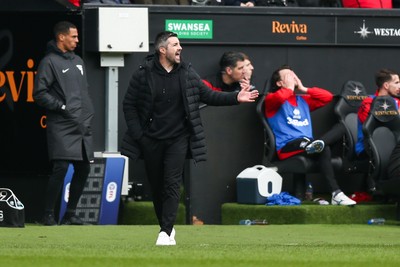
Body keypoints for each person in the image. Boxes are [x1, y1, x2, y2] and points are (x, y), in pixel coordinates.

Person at [121, 31, 258, 246]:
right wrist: (139, 135)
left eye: (180, 44)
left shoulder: (187, 72)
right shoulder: (143, 73)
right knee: (157, 187)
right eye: (175, 44)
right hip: (151, 140)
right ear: (162, 50)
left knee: (172, 183)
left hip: (178, 138)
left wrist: (235, 98)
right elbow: (128, 105)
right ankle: (166, 227)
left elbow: (208, 95)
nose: (180, 48)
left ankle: (165, 232)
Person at [264, 64, 356, 206]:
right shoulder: (272, 100)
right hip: (288, 146)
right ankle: (336, 193)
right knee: (321, 147)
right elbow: (280, 97)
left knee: (341, 129)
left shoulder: (303, 100)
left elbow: (326, 97)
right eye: (288, 76)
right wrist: (288, 88)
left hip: (307, 144)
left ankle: (335, 192)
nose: (293, 77)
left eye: (293, 74)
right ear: (279, 83)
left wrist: (303, 88)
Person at [34, 21, 95, 226]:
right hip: (61, 124)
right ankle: (48, 214)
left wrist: (87, 112)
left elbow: (83, 91)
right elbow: (39, 94)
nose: (77, 41)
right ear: (61, 37)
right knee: (60, 167)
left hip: (81, 125)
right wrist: (61, 108)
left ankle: (70, 214)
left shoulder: (78, 60)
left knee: (84, 169)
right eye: (74, 37)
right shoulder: (49, 62)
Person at [356, 68, 400, 156]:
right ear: (386, 86)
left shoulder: (396, 102)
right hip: (369, 147)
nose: (399, 86)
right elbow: (376, 126)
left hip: (392, 145)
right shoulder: (368, 102)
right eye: (397, 83)